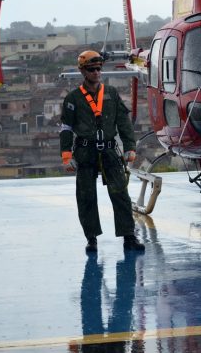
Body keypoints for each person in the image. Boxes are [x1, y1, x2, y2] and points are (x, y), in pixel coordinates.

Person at [60, 50, 144, 253]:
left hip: (109, 150)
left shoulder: (111, 93)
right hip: (84, 151)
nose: (96, 72)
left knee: (120, 193)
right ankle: (91, 238)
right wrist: (66, 155)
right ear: (83, 71)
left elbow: (123, 122)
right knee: (86, 197)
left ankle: (129, 236)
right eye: (92, 69)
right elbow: (66, 128)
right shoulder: (73, 98)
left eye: (98, 69)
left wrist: (130, 147)